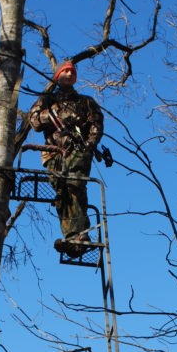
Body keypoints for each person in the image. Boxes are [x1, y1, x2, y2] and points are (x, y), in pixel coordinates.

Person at [29, 59, 104, 256]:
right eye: (65, 71)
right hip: (53, 152)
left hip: (78, 150)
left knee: (75, 185)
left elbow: (97, 124)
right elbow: (35, 121)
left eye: (72, 72)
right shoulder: (47, 100)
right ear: (58, 76)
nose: (70, 74)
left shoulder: (86, 102)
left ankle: (83, 234)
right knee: (62, 192)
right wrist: (54, 114)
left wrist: (89, 145)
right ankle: (72, 236)